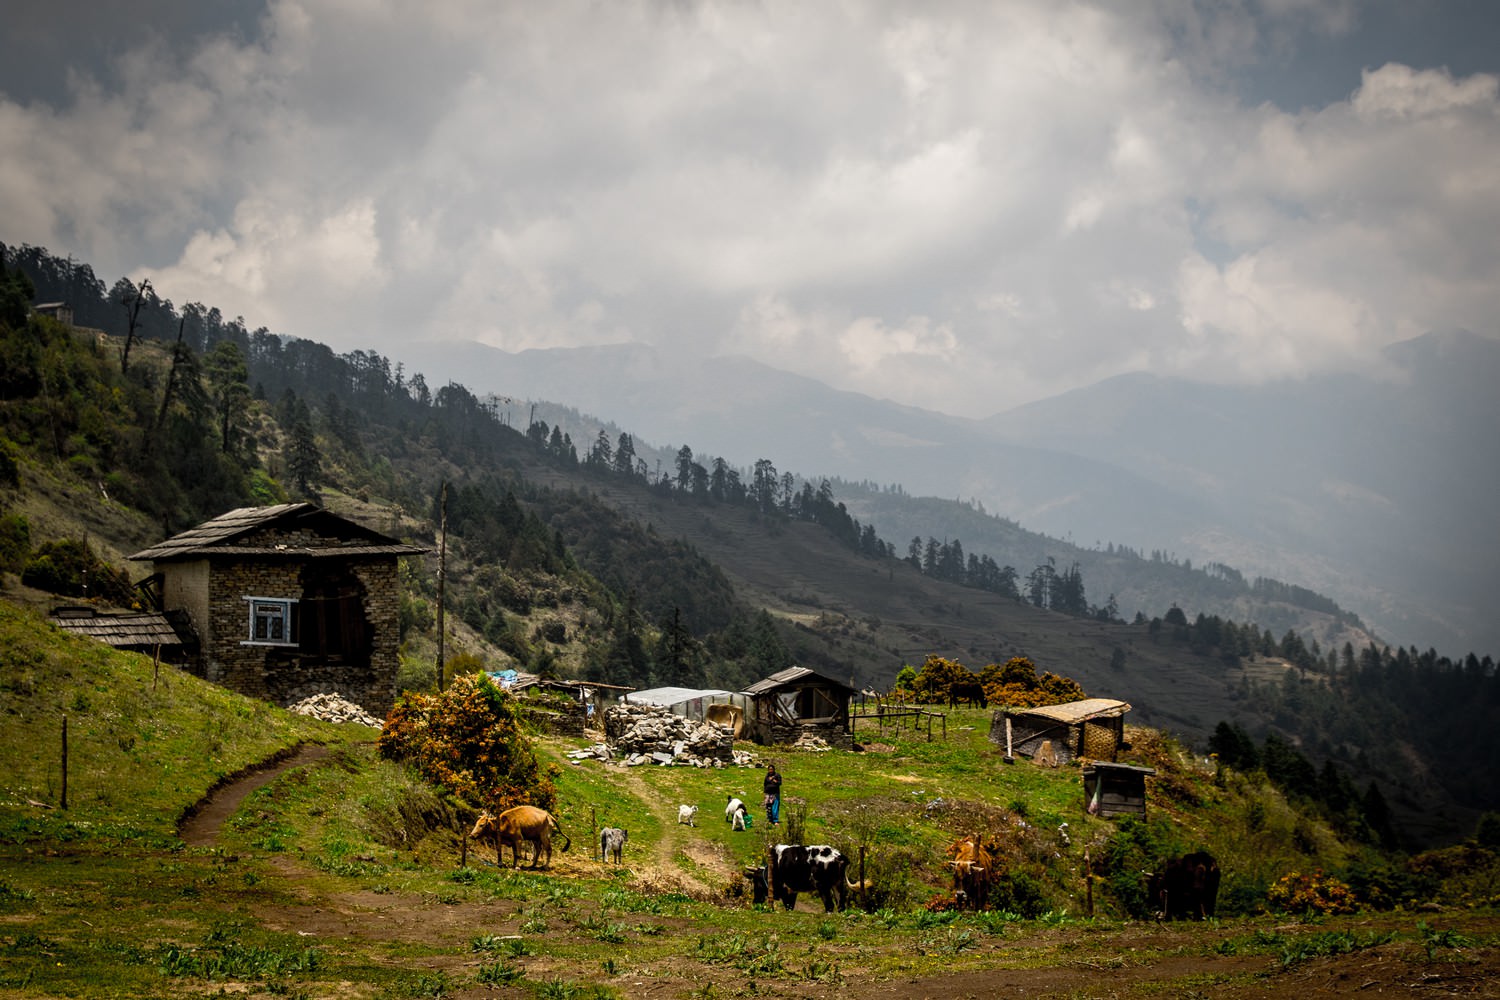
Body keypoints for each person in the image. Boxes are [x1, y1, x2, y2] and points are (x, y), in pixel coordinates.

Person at [763, 762, 783, 827]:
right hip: (768, 794)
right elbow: (765, 784)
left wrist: (776, 782)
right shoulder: (767, 776)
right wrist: (765, 792)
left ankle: (775, 820)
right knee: (768, 807)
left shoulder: (777, 775)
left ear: (774, 770)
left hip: (775, 794)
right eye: (769, 769)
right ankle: (769, 819)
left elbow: (780, 783)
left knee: (775, 807)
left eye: (772, 769)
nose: (770, 771)